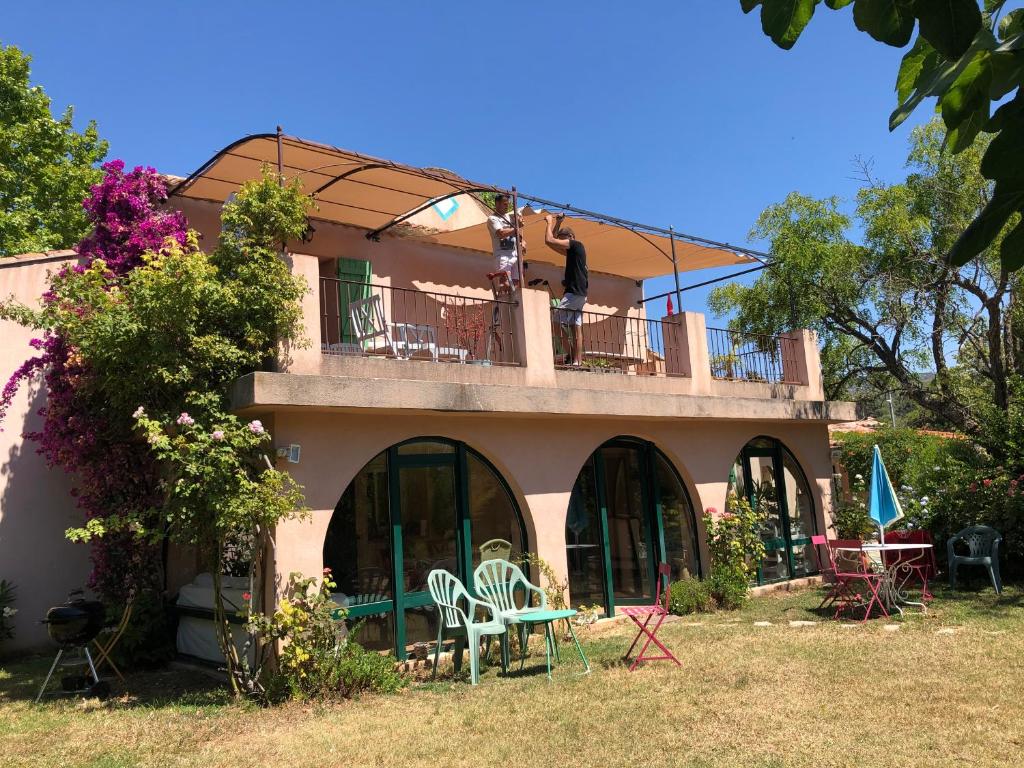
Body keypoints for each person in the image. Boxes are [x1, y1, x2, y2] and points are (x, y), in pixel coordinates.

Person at [544, 213, 588, 367]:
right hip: (580, 293)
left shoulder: (576, 245)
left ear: (570, 236)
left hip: (573, 292)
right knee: (575, 327)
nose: (561, 241)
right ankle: (577, 360)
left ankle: (570, 354)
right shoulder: (575, 251)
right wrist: (559, 222)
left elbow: (549, 239)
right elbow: (552, 243)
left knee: (554, 322)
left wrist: (549, 222)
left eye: (563, 238)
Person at [486, 194, 524, 287]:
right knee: (505, 283)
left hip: (514, 255)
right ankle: (506, 300)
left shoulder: (510, 217)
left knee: (515, 283)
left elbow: (518, 233)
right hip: (502, 255)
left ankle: (515, 300)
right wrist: (517, 227)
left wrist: (522, 241)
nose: (507, 206)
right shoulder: (492, 219)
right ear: (497, 204)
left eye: (508, 204)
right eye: (505, 204)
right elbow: (501, 233)